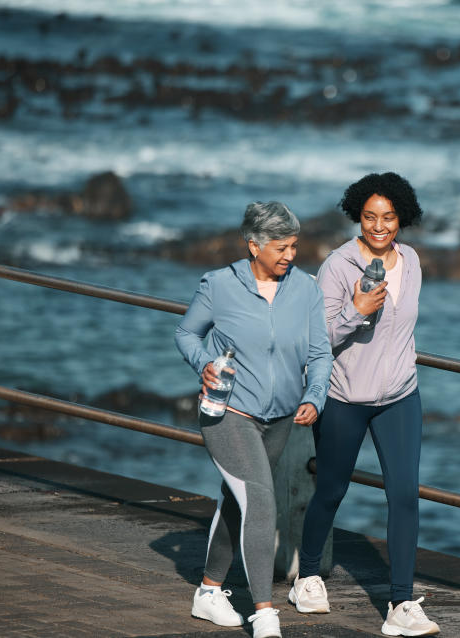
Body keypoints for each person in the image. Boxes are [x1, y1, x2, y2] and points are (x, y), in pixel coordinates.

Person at [288, 173, 440, 636]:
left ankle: (400, 604)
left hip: (399, 396)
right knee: (332, 488)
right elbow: (316, 338)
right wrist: (356, 311)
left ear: (402, 218)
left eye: (388, 217)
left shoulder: (411, 261)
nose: (379, 226)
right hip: (344, 397)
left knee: (404, 495)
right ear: (358, 215)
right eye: (370, 217)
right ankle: (308, 575)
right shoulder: (338, 266)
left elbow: (404, 328)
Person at [175, 201, 332, 638]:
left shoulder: (306, 290)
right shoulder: (220, 285)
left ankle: (208, 591)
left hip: (282, 417)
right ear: (254, 245)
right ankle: (264, 613)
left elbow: (320, 353)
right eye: (281, 247)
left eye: (294, 246)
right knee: (260, 499)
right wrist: (204, 362)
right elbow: (186, 333)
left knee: (238, 499)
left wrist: (315, 396)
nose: (289, 255)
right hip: (228, 412)